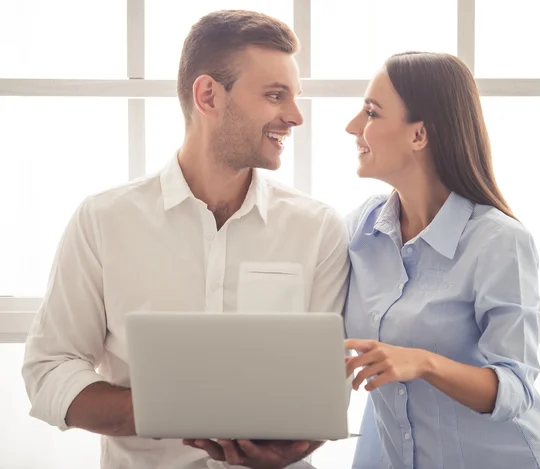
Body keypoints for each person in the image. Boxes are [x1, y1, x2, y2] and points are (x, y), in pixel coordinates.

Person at [22, 10, 349, 469]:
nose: (295, 116)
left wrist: (297, 441)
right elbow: (50, 369)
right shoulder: (102, 220)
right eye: (276, 96)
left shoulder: (319, 230)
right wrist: (170, 410)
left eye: (294, 97)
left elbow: (322, 389)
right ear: (209, 95)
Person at [343, 51, 540, 469]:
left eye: (371, 112)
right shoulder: (360, 231)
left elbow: (516, 387)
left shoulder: (498, 241)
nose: (353, 127)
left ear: (419, 135)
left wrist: (422, 363)